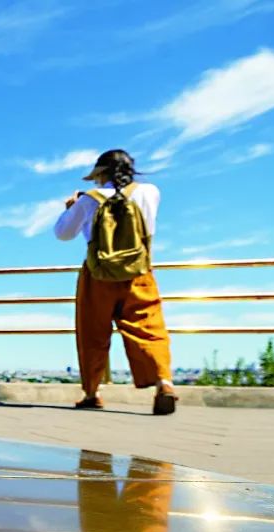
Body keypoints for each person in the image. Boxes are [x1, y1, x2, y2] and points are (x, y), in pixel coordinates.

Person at [54, 149, 177, 415]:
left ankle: (92, 392)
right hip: (139, 272)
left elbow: (63, 234)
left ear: (100, 174)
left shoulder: (89, 200)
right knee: (149, 328)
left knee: (93, 333)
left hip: (97, 275)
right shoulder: (150, 192)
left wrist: (72, 209)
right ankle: (163, 382)